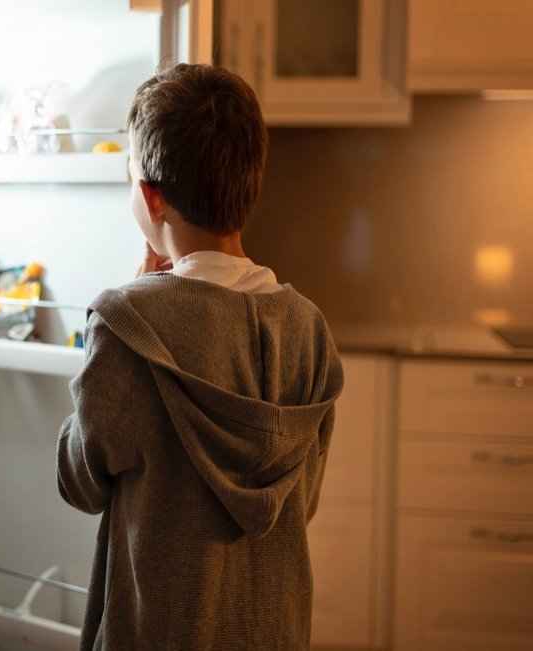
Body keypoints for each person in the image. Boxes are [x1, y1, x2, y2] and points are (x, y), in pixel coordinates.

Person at [56, 63, 344, 650]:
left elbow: (79, 481)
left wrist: (127, 307)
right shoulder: (309, 329)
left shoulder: (124, 328)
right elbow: (299, 504)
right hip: (272, 629)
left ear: (150, 196)